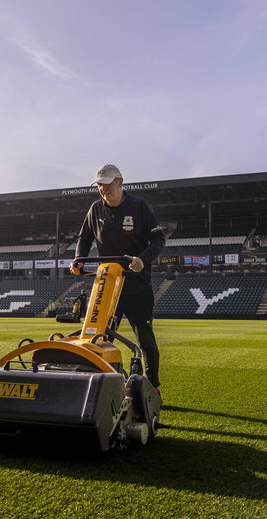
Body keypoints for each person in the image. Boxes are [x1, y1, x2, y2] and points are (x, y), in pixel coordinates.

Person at [71, 164, 165, 390]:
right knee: (99, 339)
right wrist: (79, 260)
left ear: (120, 182)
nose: (103, 190)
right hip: (107, 287)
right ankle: (102, 388)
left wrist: (142, 259)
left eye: (107, 184)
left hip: (137, 287)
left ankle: (152, 389)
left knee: (145, 341)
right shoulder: (95, 209)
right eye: (99, 186)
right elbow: (84, 239)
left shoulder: (138, 206)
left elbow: (159, 239)